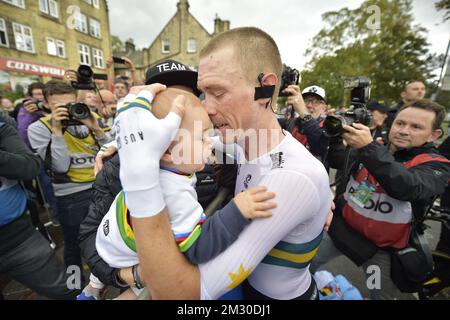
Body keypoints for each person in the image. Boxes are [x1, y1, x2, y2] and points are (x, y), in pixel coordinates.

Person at [116, 26, 332, 300]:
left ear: (264, 88)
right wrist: (119, 141)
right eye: (204, 93)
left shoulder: (292, 177)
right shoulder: (243, 140)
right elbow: (183, 142)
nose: (206, 107)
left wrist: (138, 177)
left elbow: (183, 296)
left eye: (218, 93)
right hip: (248, 286)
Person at [78, 86, 275, 300]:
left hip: (109, 240)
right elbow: (197, 248)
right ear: (167, 150)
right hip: (123, 258)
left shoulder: (151, 160)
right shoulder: (175, 193)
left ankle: (91, 289)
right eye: (203, 137)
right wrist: (237, 211)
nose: (211, 142)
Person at [78, 59, 225, 293]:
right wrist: (134, 275)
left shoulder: (207, 154)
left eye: (189, 96)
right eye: (169, 97)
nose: (182, 107)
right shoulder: (117, 164)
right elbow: (90, 235)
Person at [311, 99, 450, 300]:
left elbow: (407, 187)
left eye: (416, 127)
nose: (404, 130)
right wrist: (335, 137)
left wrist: (368, 148)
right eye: (400, 123)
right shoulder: (375, 145)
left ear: (434, 135)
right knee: (299, 266)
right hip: (339, 231)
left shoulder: (437, 164)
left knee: (380, 297)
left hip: (380, 250)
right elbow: (338, 161)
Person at [28, 80, 113, 275]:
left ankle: (106, 279)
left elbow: (112, 153)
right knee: (74, 244)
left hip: (101, 186)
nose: (68, 109)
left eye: (70, 104)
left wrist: (97, 129)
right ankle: (74, 286)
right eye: (60, 106)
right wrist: (57, 130)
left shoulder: (89, 117)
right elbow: (60, 166)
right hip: (71, 195)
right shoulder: (38, 128)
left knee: (108, 236)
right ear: (47, 104)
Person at [0, 120, 79, 299]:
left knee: (68, 289)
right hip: (65, 197)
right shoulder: (37, 127)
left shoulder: (3, 129)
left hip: (18, 239)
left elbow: (30, 166)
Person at [283, 85, 329, 162]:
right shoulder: (290, 123)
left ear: (324, 107)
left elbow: (319, 147)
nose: (309, 105)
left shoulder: (329, 129)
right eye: (306, 100)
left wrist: (304, 113)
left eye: (316, 102)